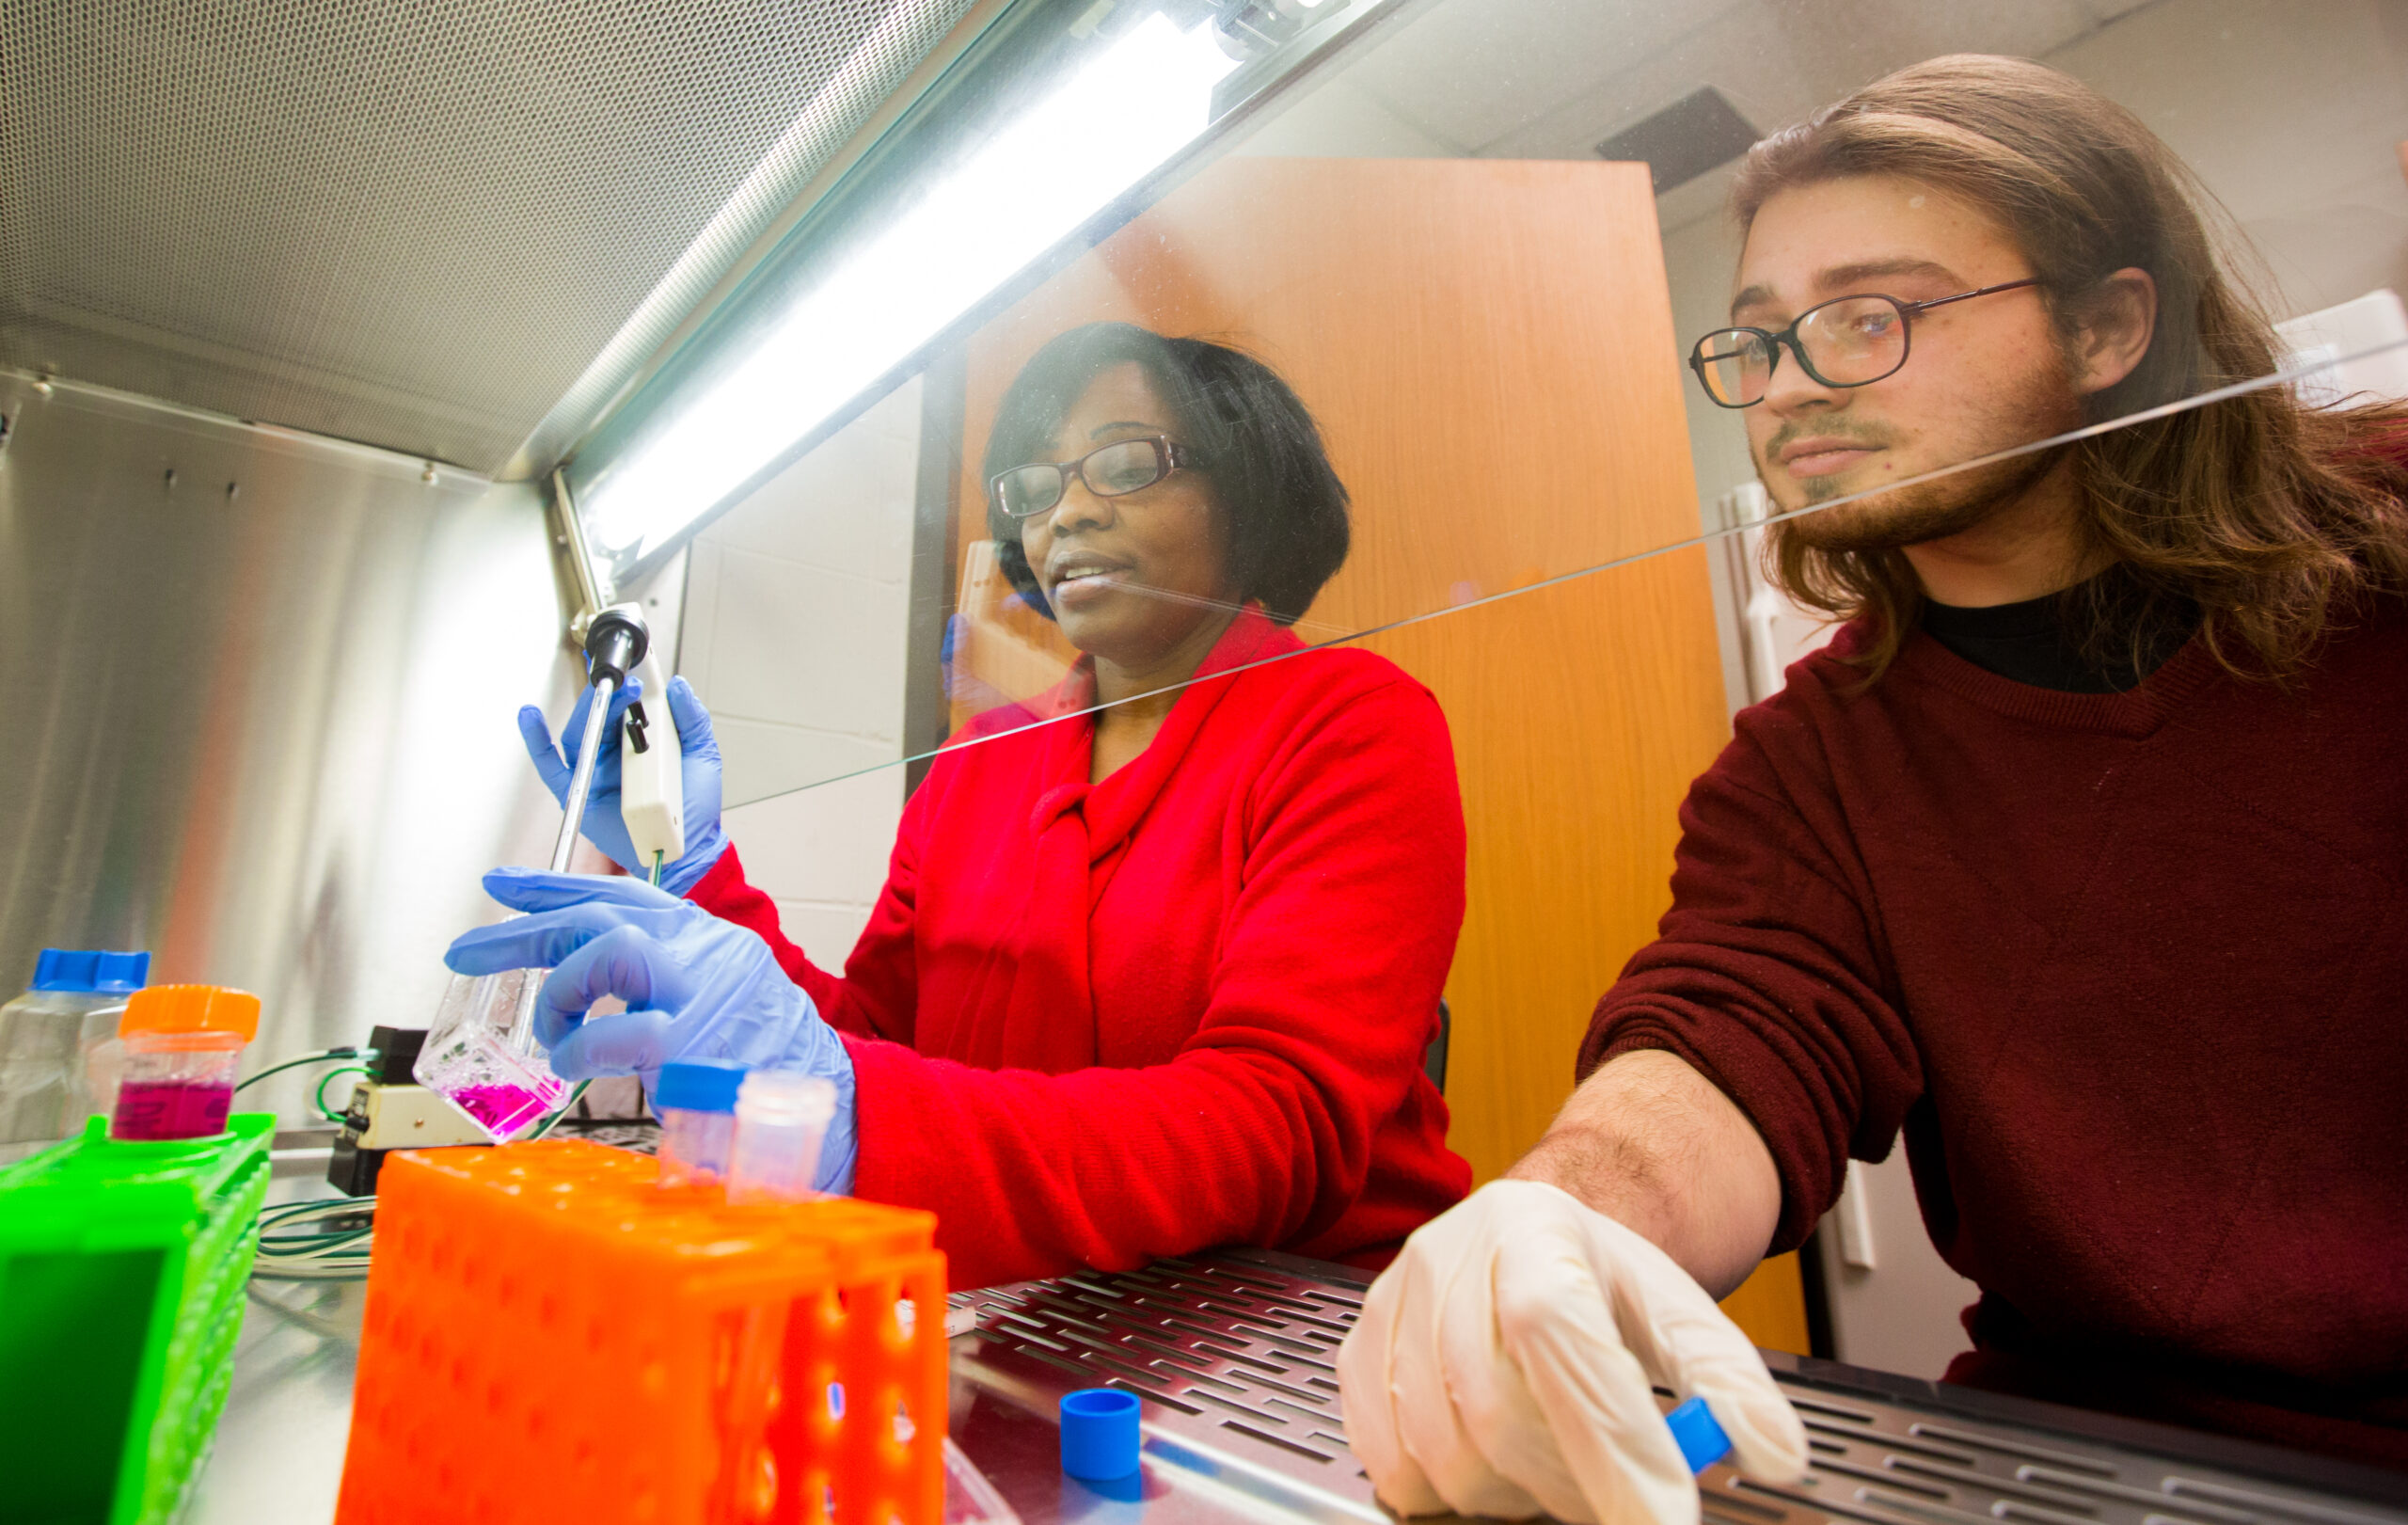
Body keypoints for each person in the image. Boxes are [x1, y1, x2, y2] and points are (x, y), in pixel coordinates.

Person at [1339, 53, 2408, 1525]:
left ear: (2107, 325)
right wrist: (1562, 1213)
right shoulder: (1816, 755)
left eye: (1868, 316)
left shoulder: (2387, 546)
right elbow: (1734, 1031)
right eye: (1760, 339)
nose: (1785, 389)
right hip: (2086, 1463)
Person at [449, 323, 1472, 1288]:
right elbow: (872, 1038)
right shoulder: (986, 754)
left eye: (1123, 462)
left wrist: (867, 1117)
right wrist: (694, 868)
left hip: (1286, 1321)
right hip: (1036, 1298)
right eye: (1034, 485)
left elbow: (1271, 1125)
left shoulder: (1352, 724)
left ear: (1244, 493)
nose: (1065, 512)